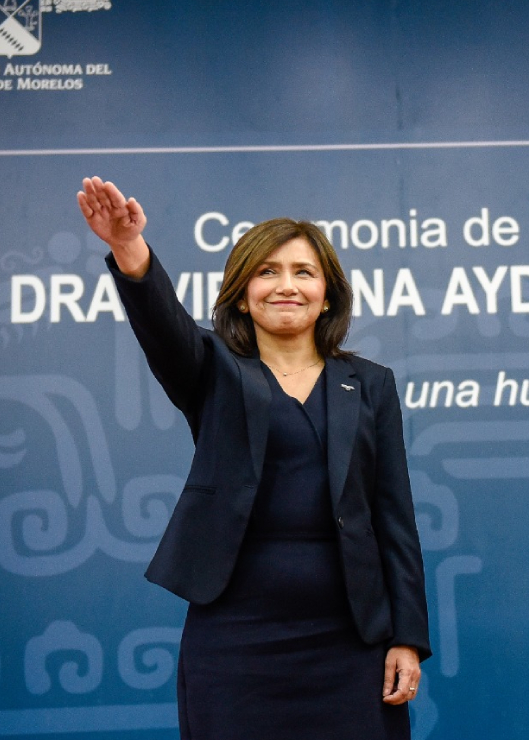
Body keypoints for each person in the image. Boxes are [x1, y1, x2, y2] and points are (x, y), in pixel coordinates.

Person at [77, 177, 431, 740]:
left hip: (352, 639)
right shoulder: (212, 369)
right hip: (234, 639)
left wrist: (407, 635)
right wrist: (129, 250)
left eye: (303, 272)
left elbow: (394, 517)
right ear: (242, 293)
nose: (286, 285)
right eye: (267, 272)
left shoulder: (370, 385)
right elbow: (164, 328)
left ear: (328, 293)